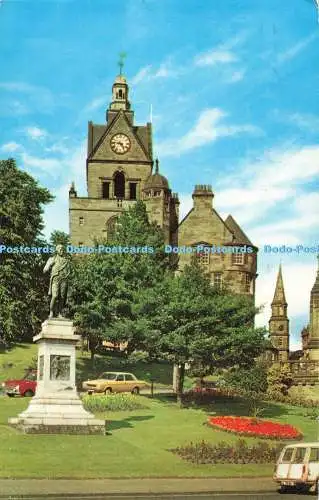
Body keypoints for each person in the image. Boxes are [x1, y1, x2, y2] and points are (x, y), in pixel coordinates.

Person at [43, 244, 71, 318]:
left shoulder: (66, 261)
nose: (62, 250)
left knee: (62, 297)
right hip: (55, 279)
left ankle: (59, 313)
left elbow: (69, 271)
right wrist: (49, 266)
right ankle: (51, 312)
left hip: (64, 279)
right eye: (60, 249)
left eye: (62, 249)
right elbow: (45, 269)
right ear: (57, 250)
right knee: (55, 296)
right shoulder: (52, 259)